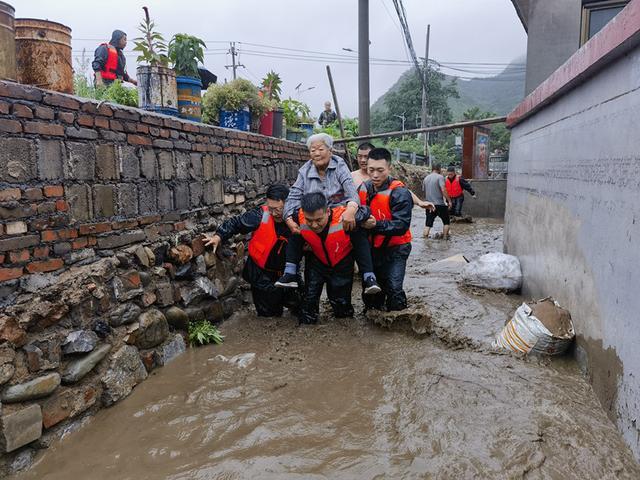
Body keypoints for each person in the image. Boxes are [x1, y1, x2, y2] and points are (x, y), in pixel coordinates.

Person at [276, 133, 381, 295]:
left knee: (359, 224)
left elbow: (351, 193)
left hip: (339, 218)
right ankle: (290, 272)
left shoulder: (339, 165)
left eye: (320, 149)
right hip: (314, 217)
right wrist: (289, 218)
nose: (316, 153)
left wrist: (351, 211)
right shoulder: (305, 170)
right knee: (294, 225)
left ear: (330, 150)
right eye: (312, 150)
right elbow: (294, 195)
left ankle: (368, 276)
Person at [202, 184, 300, 317]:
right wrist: (218, 236)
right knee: (269, 316)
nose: (273, 213)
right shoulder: (261, 215)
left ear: (288, 204)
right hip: (262, 274)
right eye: (270, 208)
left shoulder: (298, 217)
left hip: (288, 273)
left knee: (300, 307)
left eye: (277, 209)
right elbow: (236, 223)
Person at [294, 193, 372, 324]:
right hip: (316, 261)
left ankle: (344, 333)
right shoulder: (299, 218)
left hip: (342, 262)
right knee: (309, 302)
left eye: (319, 220)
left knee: (342, 307)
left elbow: (365, 210)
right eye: (309, 220)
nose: (314, 225)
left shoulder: (344, 217)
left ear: (328, 212)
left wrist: (365, 218)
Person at [359, 148, 413, 311]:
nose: (375, 175)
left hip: (397, 248)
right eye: (371, 170)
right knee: (371, 294)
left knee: (394, 289)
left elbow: (402, 225)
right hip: (372, 249)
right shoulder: (364, 188)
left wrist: (376, 225)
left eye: (380, 170)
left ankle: (400, 322)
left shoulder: (400, 193)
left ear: (389, 169)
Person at [351, 142, 435, 210]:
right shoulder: (351, 176)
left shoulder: (384, 177)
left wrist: (419, 202)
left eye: (366, 156)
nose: (363, 160)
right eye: (360, 156)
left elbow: (401, 190)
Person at [422, 164, 452, 239]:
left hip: (429, 205)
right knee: (446, 222)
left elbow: (424, 191)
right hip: (440, 204)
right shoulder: (440, 177)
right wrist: (449, 201)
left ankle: (425, 241)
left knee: (428, 224)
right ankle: (445, 238)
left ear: (432, 169)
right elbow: (443, 189)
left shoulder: (426, 178)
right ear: (439, 169)